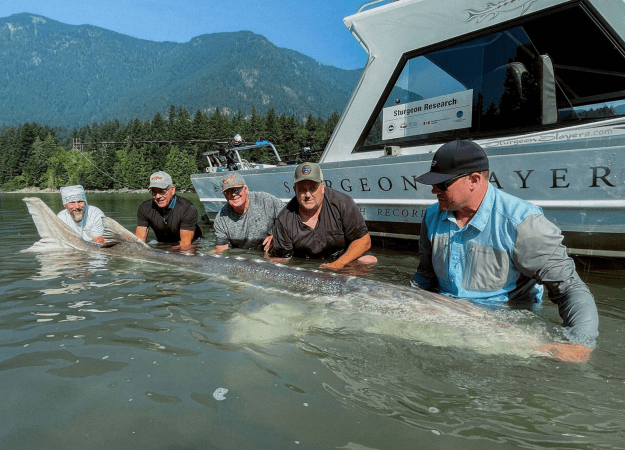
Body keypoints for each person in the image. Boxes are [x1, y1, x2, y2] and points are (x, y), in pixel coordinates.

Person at [411, 139, 599, 362]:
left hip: (502, 329)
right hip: (444, 318)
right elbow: (424, 278)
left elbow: (570, 289)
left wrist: (580, 343)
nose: (434, 190)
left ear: (474, 180)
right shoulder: (432, 216)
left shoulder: (523, 223)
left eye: (442, 184)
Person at [272, 162, 378, 270]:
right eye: (302, 189)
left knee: (369, 260)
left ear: (322, 188)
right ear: (295, 190)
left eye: (313, 188)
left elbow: (364, 240)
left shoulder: (342, 203)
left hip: (342, 259)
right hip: (307, 264)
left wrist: (337, 264)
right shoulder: (284, 219)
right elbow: (282, 259)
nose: (308, 195)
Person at [213, 172, 284, 253]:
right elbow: (221, 249)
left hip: (270, 252)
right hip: (243, 256)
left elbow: (291, 219)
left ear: (246, 189)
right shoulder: (221, 218)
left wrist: (278, 236)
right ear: (225, 195)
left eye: (237, 189)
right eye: (228, 191)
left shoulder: (266, 200)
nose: (233, 194)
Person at [135, 171, 203, 249]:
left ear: (172, 190)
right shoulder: (145, 208)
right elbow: (139, 241)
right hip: (162, 241)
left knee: (187, 250)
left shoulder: (187, 209)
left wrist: (167, 252)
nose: (158, 196)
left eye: (162, 191)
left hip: (192, 242)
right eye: (154, 191)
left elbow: (185, 245)